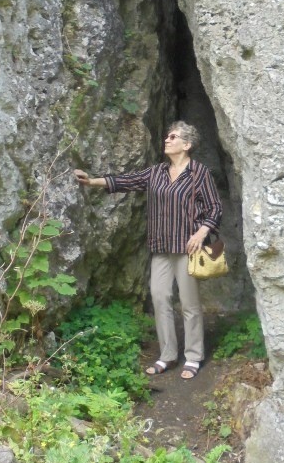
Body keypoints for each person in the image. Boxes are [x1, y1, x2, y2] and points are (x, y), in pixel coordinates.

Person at [74, 121, 222, 380]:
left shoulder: (199, 173)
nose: (167, 139)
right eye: (167, 136)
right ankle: (167, 355)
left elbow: (214, 208)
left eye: (173, 137)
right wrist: (91, 182)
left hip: (187, 248)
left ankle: (194, 357)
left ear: (186, 145)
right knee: (160, 298)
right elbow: (126, 180)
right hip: (161, 247)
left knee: (189, 304)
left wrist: (201, 232)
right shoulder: (156, 172)